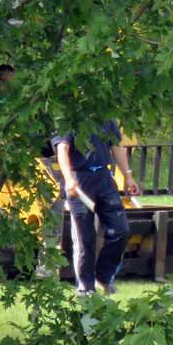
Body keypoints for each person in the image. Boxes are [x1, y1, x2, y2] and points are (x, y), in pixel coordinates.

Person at [53, 121, 141, 295]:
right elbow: (62, 149)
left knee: (120, 230)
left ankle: (104, 276)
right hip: (79, 178)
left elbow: (116, 145)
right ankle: (85, 288)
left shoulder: (106, 116)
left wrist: (128, 176)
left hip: (104, 177)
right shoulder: (70, 116)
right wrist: (69, 179)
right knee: (84, 238)